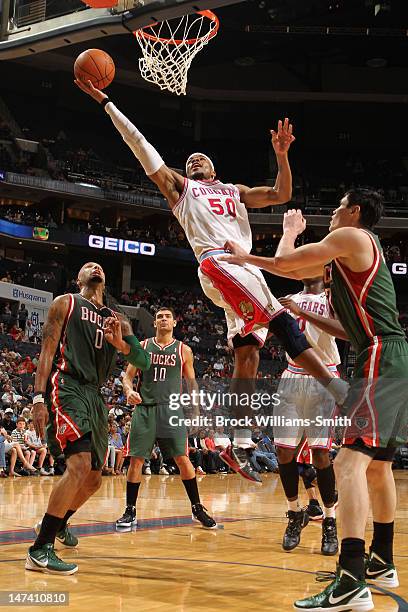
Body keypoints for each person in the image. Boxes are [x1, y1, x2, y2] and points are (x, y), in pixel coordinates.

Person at [75, 79, 348, 483]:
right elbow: (142, 148)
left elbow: (280, 193)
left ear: (215, 169)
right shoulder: (182, 190)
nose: (194, 161)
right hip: (219, 264)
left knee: (248, 356)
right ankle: (338, 388)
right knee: (281, 320)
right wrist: (107, 103)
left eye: (200, 158)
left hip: (245, 271)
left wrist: (283, 155)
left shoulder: (234, 191)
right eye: (189, 161)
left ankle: (235, 439)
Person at [222, 193, 408, 611]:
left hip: (380, 356)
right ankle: (382, 560)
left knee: (346, 463)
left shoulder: (352, 236)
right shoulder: (345, 260)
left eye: (340, 205)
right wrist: (287, 234)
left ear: (355, 211)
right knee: (378, 466)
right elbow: (341, 324)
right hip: (383, 353)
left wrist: (245, 257)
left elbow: (284, 265)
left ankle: (351, 580)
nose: (334, 213)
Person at [26, 262, 150, 575]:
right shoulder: (65, 303)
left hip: (95, 397)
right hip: (68, 385)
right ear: (80, 278)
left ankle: (56, 523)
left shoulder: (118, 319)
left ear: (104, 279)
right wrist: (38, 398)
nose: (94, 267)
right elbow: (46, 351)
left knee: (94, 478)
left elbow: (142, 361)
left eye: (99, 267)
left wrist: (120, 344)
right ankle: (40, 548)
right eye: (87, 266)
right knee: (78, 464)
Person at [116, 306, 216, 530]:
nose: (163, 320)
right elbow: (127, 376)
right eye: (159, 317)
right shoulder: (142, 346)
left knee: (182, 459)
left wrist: (196, 412)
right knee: (136, 459)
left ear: (174, 323)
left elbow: (191, 384)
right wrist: (129, 391)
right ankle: (130, 510)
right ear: (154, 323)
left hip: (172, 410)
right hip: (145, 408)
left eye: (167, 317)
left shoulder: (184, 350)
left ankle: (197, 508)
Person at [273, 276, 339, 556]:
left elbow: (346, 331)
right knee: (283, 452)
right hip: (291, 377)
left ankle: (330, 520)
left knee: (320, 455)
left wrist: (303, 313)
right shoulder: (286, 299)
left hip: (323, 377)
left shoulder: (333, 300)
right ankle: (294, 514)